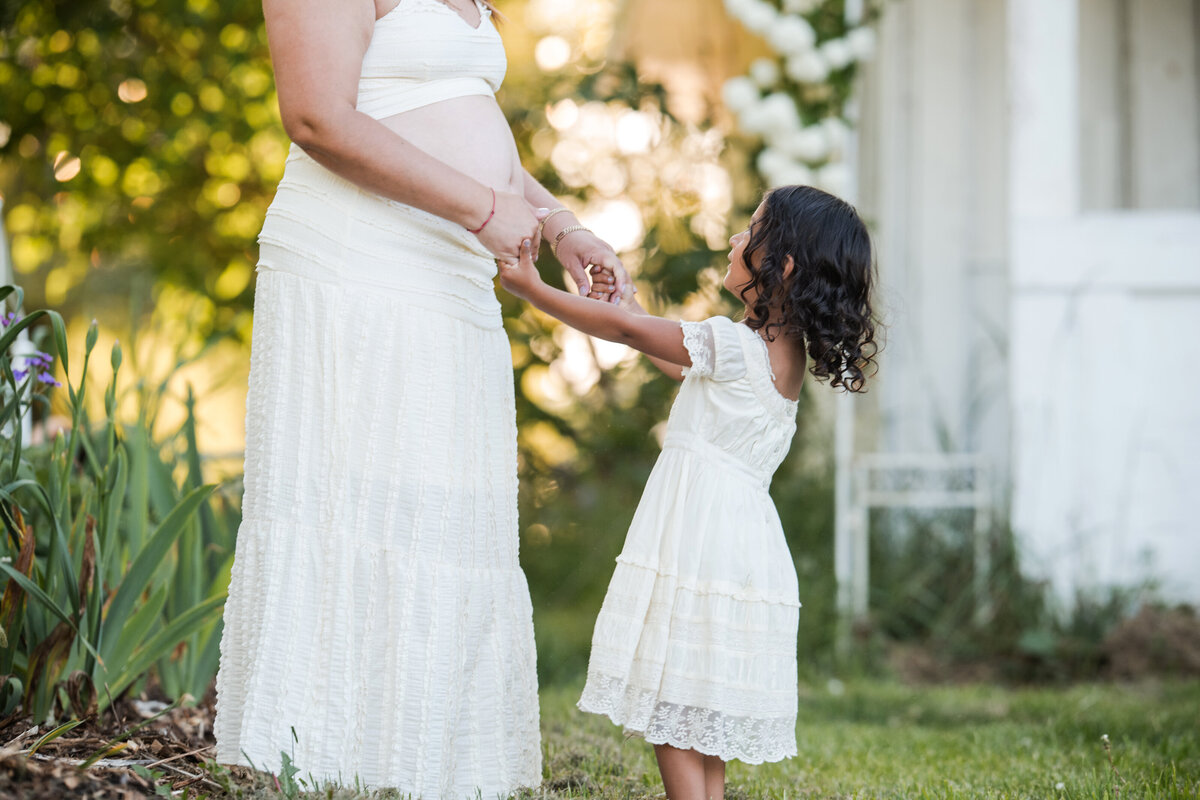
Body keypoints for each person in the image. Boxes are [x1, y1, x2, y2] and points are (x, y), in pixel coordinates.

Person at [212, 0, 628, 797]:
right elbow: (316, 117)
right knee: (355, 511)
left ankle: (428, 764)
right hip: (356, 263)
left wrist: (562, 225)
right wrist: (479, 209)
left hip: (451, 272)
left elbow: (467, 126)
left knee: (444, 517)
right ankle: (323, 756)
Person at [498, 184, 879, 800]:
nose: (734, 239)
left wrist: (534, 289)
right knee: (696, 694)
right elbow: (681, 364)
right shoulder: (777, 356)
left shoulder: (734, 347)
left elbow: (626, 332)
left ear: (780, 266)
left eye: (749, 230)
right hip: (740, 542)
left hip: (698, 535)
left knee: (671, 685)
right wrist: (634, 300)